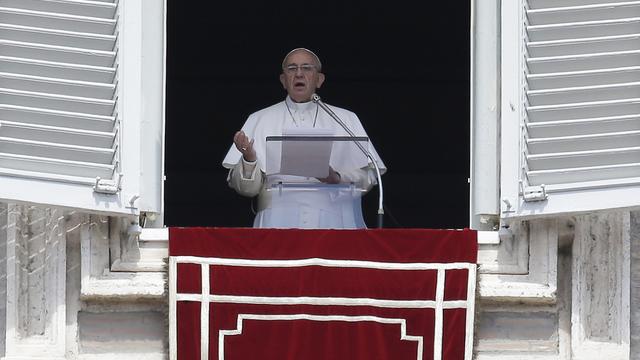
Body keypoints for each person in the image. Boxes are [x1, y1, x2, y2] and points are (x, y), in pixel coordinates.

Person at [222, 48, 385, 228]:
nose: (299, 73)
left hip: (336, 221)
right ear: (283, 81)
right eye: (292, 68)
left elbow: (369, 176)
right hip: (276, 221)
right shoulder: (259, 119)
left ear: (319, 79)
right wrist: (249, 159)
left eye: (306, 68)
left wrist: (336, 178)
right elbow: (247, 190)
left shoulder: (346, 119)